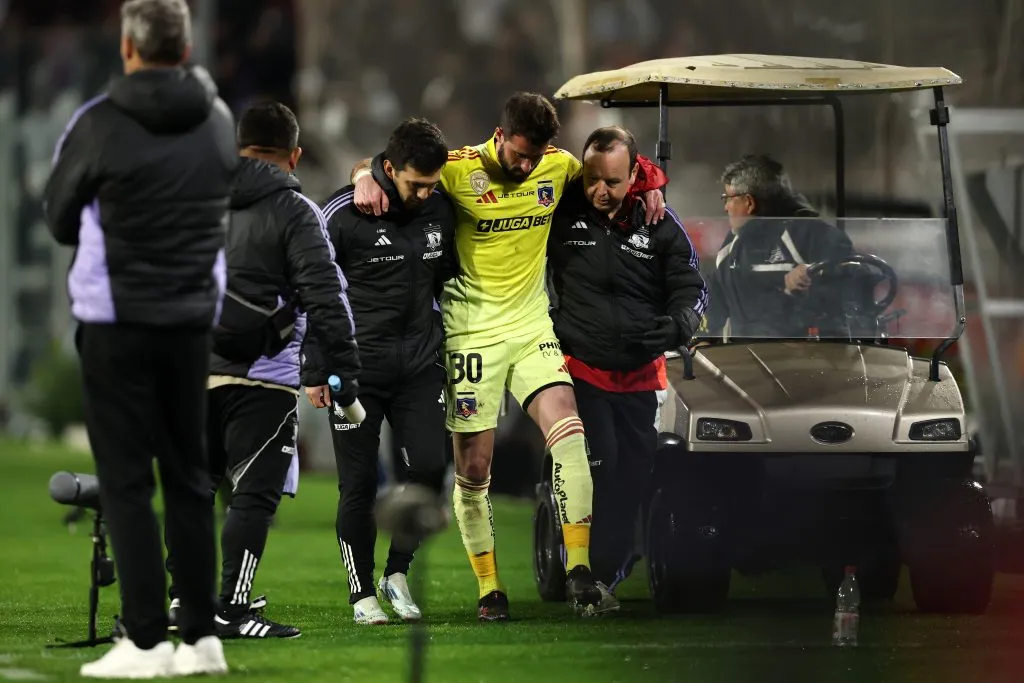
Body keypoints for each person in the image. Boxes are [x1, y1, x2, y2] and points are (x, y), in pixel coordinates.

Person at [351, 93, 667, 620]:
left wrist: (652, 184)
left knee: (570, 433)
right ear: (500, 137)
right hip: (471, 334)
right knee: (473, 469)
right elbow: (386, 165)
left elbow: (617, 167)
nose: (526, 166)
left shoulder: (558, 167)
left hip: (530, 327)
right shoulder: (457, 170)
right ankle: (490, 588)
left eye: (535, 155)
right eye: (519, 154)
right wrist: (363, 173)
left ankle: (580, 571)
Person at [42, 0, 235, 677]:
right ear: (183, 50)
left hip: (116, 322)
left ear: (128, 48)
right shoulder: (217, 121)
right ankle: (202, 638)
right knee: (188, 476)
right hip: (189, 323)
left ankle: (147, 642)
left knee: (126, 482)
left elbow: (61, 218)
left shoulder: (97, 123)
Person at [166, 101, 361, 639]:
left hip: (191, 371)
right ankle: (231, 606)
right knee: (254, 496)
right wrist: (344, 366)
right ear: (294, 155)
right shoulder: (294, 210)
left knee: (194, 490)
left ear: (238, 149)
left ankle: (184, 599)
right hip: (263, 376)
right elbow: (326, 294)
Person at [547, 127, 709, 611]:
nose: (601, 190)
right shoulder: (561, 212)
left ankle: (606, 577)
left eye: (613, 182)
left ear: (635, 175)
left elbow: (691, 286)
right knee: (601, 466)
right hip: (581, 368)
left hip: (640, 374)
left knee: (633, 477)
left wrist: (678, 325)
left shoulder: (660, 222)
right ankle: (585, 575)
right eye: (593, 178)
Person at [304, 118, 456, 625]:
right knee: (359, 484)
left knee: (431, 471)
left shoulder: (441, 208)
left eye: (432, 184)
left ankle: (396, 574)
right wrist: (315, 366)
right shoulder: (344, 212)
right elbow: (315, 290)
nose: (425, 193)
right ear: (389, 169)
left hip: (419, 368)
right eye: (416, 183)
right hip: (356, 374)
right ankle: (360, 592)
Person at [707, 154, 854, 338]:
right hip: (745, 360)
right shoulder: (731, 247)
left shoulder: (810, 233)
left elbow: (851, 275)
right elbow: (714, 303)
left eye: (727, 198)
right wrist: (703, 341)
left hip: (810, 358)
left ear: (749, 203)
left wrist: (812, 275)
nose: (725, 208)